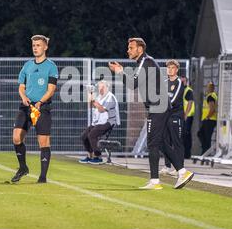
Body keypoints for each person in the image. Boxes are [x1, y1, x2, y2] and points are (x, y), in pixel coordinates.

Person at [109, 38, 193, 190]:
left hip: (158, 107)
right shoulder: (144, 62)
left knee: (152, 143)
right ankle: (182, 172)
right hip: (159, 106)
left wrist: (120, 71)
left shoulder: (146, 61)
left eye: (131, 47)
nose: (128, 50)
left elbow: (132, 84)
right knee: (160, 142)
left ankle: (155, 182)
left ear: (140, 49)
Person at [11, 34, 58, 183]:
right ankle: (23, 167)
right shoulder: (27, 65)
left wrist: (40, 102)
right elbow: (21, 87)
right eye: (33, 46)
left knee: (43, 142)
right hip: (26, 107)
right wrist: (24, 97)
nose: (35, 48)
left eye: (38, 45)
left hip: (42, 108)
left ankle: (42, 177)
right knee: (16, 137)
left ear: (45, 47)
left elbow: (51, 89)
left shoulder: (51, 66)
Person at [159, 60, 194, 187]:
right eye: (168, 68)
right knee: (165, 141)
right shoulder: (164, 82)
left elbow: (172, 99)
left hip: (176, 116)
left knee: (177, 142)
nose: (170, 70)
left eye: (172, 68)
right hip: (165, 116)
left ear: (177, 70)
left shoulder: (179, 82)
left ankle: (180, 169)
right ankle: (168, 166)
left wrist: (161, 104)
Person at [79, 80, 120, 164]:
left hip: (108, 122)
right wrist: (90, 93)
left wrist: (94, 101)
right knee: (84, 136)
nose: (99, 88)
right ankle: (90, 155)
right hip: (98, 122)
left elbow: (101, 109)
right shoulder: (99, 97)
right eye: (99, 87)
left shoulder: (110, 97)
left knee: (92, 135)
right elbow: (90, 105)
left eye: (102, 87)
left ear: (106, 87)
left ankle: (98, 156)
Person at [197, 82, 218, 155]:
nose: (207, 88)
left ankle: (205, 152)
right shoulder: (213, 95)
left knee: (205, 136)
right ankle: (205, 152)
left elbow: (212, 109)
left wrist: (207, 117)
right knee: (203, 135)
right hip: (211, 119)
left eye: (208, 87)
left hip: (209, 120)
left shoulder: (210, 97)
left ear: (211, 88)